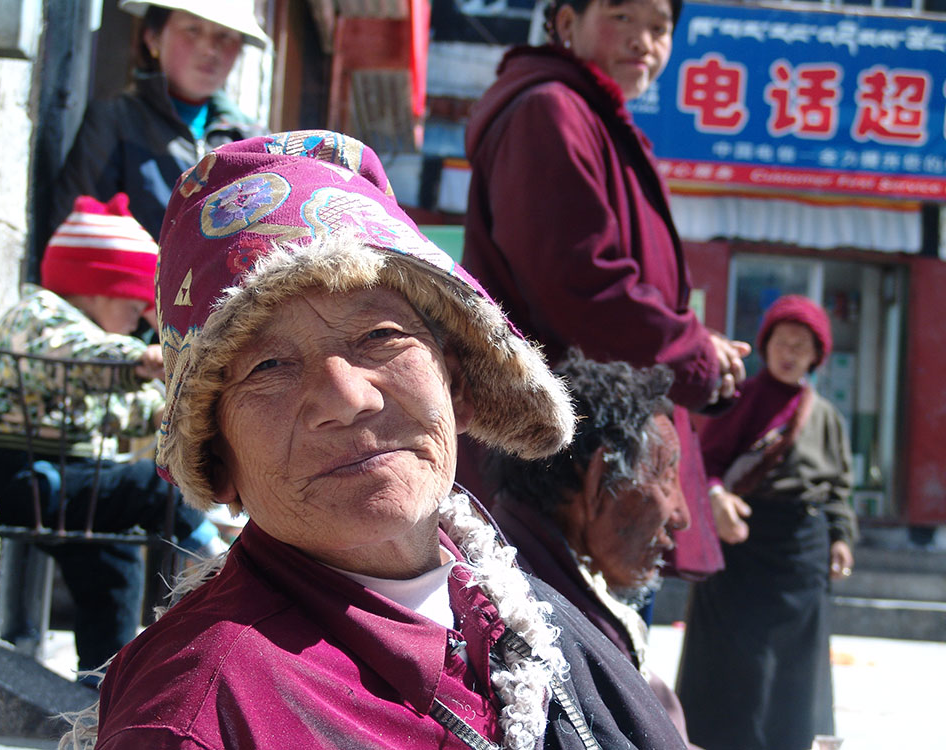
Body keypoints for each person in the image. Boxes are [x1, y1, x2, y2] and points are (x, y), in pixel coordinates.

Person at [63, 130, 690, 749]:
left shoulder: (519, 614)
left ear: (459, 387)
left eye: (381, 336)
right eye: (268, 367)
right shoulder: (198, 714)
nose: (347, 397)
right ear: (217, 457)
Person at [461, 0, 750, 580]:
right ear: (566, 23)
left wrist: (697, 344)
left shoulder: (597, 120)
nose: (644, 40)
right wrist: (692, 355)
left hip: (598, 459)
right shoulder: (549, 111)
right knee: (551, 651)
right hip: (557, 468)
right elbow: (579, 285)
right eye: (622, 18)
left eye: (660, 27)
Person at [0, 193, 224, 678]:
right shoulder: (41, 315)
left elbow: (127, 407)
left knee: (114, 561)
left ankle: (100, 684)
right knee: (152, 486)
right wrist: (141, 358)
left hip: (65, 480)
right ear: (97, 287)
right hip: (31, 476)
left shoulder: (92, 343)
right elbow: (80, 353)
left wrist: (183, 413)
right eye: (133, 304)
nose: (139, 319)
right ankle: (206, 557)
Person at [675, 295, 858, 750]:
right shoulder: (741, 400)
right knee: (738, 661)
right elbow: (704, 463)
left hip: (802, 551)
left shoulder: (826, 417)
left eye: (802, 345)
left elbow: (837, 489)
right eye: (783, 341)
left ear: (817, 356)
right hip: (744, 544)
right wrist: (716, 498)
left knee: (795, 667)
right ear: (765, 345)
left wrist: (841, 539)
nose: (791, 352)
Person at [488, 350, 698, 745]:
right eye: (666, 476)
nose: (681, 515)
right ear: (599, 479)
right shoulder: (519, 622)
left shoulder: (540, 572)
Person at [51, 0, 268, 241]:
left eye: (225, 36)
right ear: (153, 37)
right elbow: (75, 234)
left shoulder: (253, 141)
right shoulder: (116, 121)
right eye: (192, 30)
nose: (209, 49)